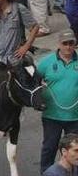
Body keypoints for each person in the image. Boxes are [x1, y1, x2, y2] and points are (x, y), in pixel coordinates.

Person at [38, 30, 78, 174]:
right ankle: (46, 173)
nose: (68, 47)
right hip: (51, 115)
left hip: (75, 117)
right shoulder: (46, 62)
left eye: (71, 43)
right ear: (59, 44)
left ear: (75, 44)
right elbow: (33, 81)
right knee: (50, 147)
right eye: (65, 43)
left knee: (75, 152)